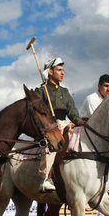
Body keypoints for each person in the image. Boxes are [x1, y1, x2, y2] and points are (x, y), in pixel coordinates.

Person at [34, 57, 85, 193]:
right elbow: (35, 109)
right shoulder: (41, 90)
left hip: (66, 122)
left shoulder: (65, 92)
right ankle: (45, 178)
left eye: (63, 70)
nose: (62, 73)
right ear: (50, 72)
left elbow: (72, 110)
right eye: (59, 70)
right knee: (51, 142)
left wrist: (79, 121)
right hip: (50, 125)